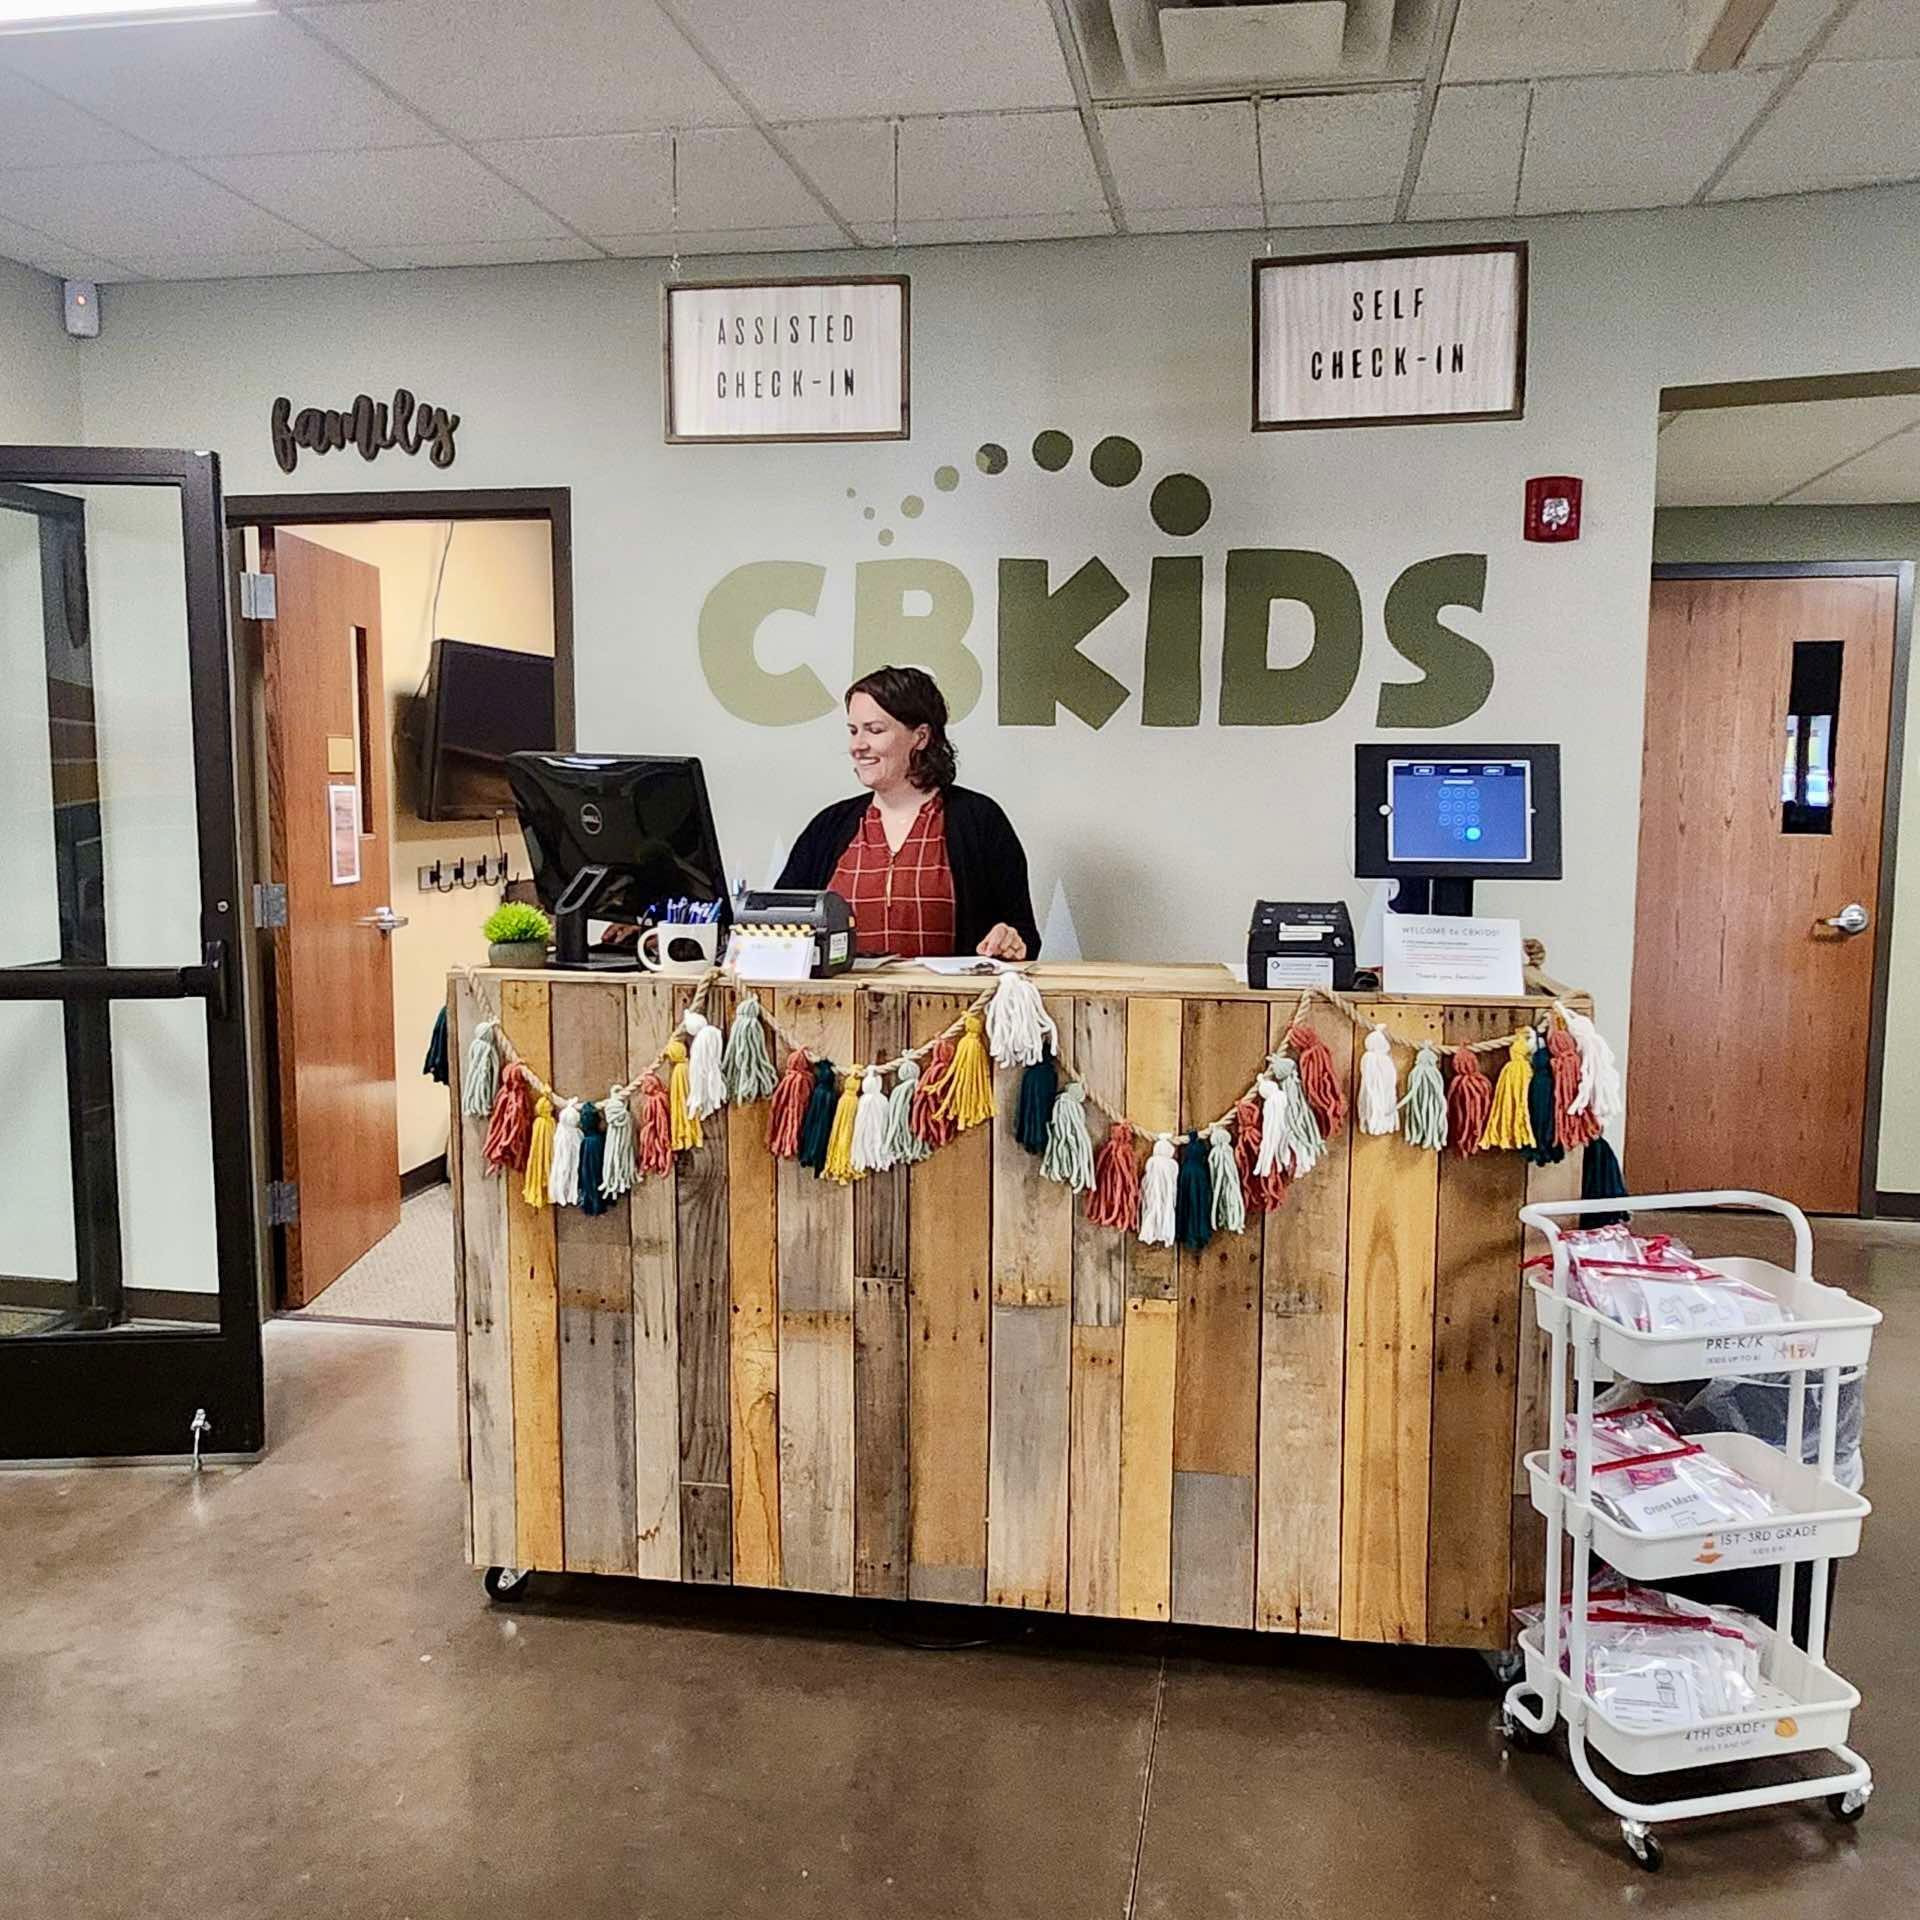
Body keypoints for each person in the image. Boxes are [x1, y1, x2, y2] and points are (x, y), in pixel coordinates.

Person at [778, 665, 1041, 961]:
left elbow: (1024, 935)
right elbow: (779, 928)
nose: (857, 746)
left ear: (921, 736)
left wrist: (1010, 940)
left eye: (874, 730)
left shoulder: (980, 820)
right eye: (853, 731)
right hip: (841, 1006)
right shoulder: (828, 827)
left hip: (956, 1006)